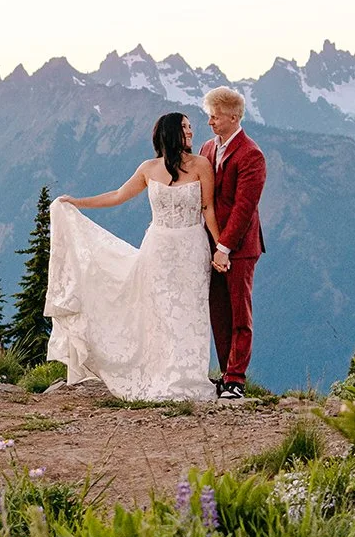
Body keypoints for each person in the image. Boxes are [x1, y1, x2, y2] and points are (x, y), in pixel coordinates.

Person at [45, 112, 222, 401]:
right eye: (185, 127)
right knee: (159, 312)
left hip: (192, 247)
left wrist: (220, 248)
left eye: (191, 127)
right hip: (158, 249)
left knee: (191, 311)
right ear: (170, 133)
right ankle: (161, 374)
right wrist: (78, 202)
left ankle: (188, 377)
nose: (191, 132)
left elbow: (208, 209)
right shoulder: (148, 168)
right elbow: (117, 195)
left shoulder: (202, 165)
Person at [199, 87, 265, 400]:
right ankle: (226, 374)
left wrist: (224, 247)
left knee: (240, 313)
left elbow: (245, 206)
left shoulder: (251, 154)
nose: (210, 120)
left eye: (216, 115)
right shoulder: (207, 149)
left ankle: (236, 380)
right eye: (209, 114)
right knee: (219, 313)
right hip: (211, 243)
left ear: (234, 116)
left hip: (239, 247)